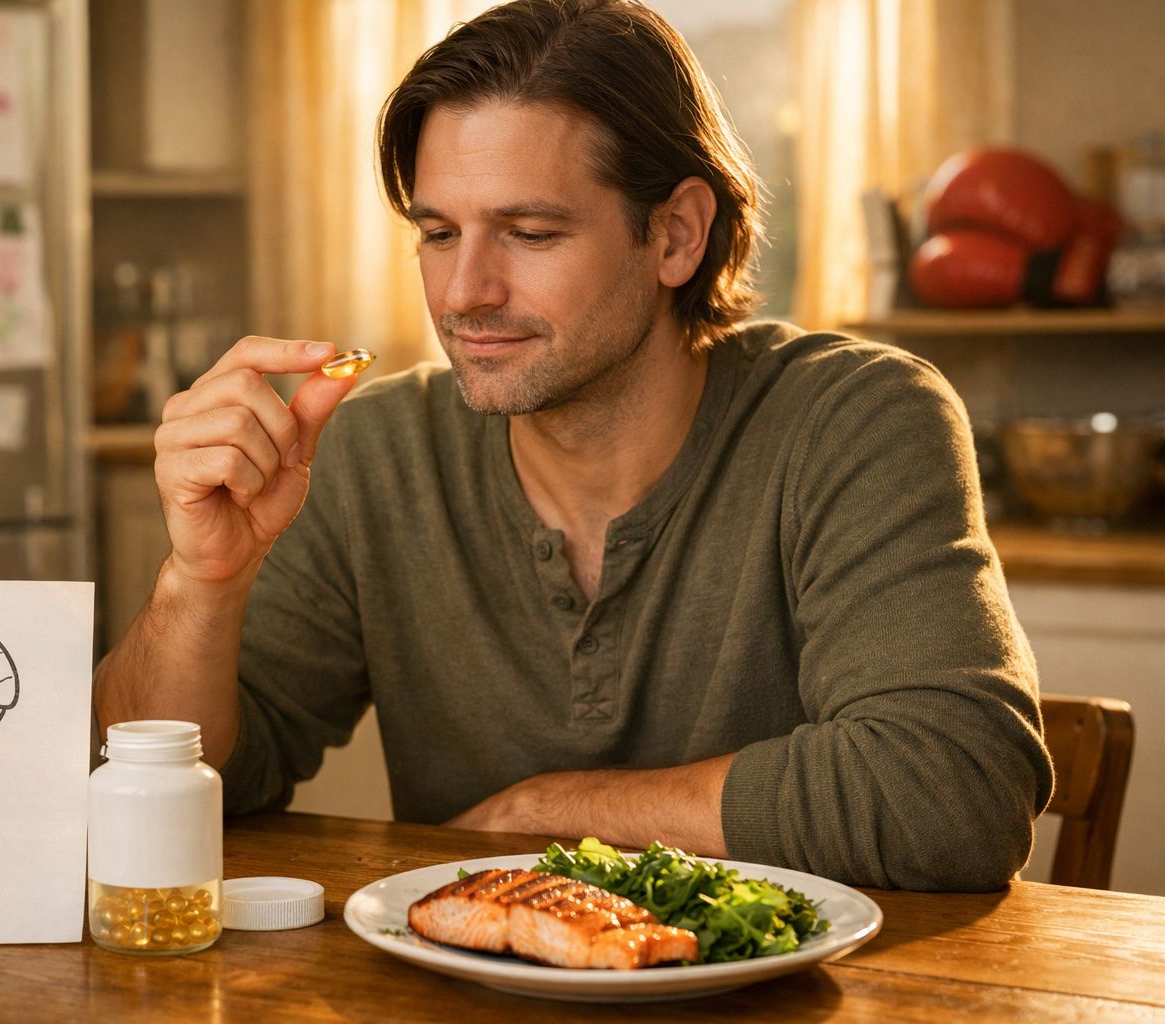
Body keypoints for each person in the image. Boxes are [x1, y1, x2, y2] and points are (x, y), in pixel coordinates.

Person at [96, 0, 1052, 891]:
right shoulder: (376, 453)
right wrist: (200, 582)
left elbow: (954, 789)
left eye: (530, 231)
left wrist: (549, 812)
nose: (465, 290)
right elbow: (164, 781)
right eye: (438, 232)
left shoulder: (854, 418)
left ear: (677, 234)